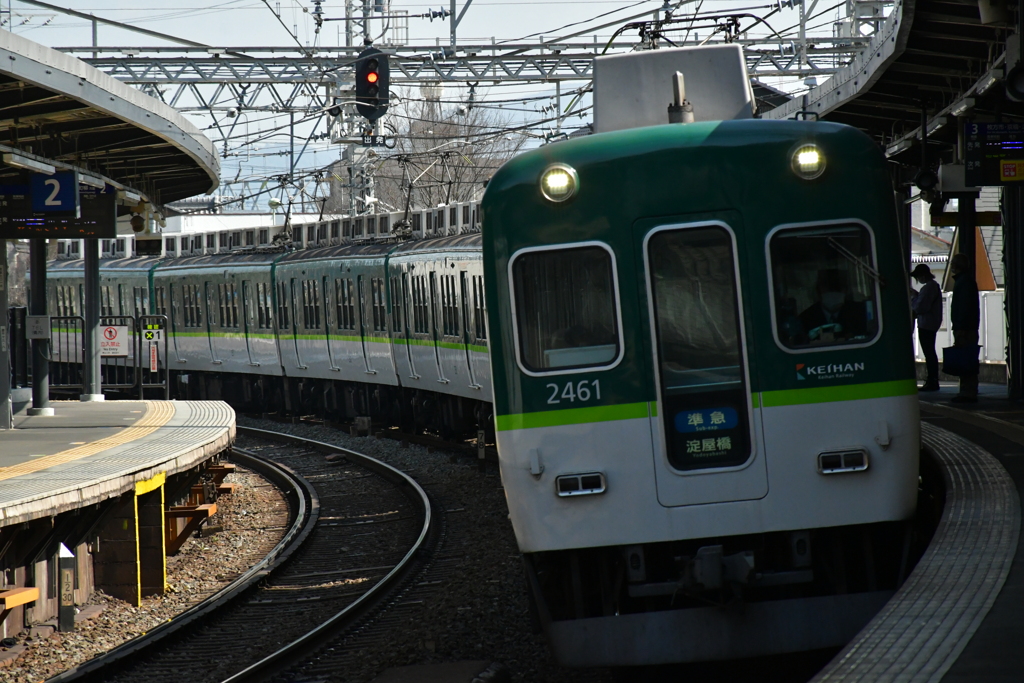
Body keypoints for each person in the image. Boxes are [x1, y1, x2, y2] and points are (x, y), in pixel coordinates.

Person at [798, 269, 868, 344]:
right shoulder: (806, 318)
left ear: (846, 290)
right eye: (827, 288)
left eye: (837, 288)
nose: (832, 292)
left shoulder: (861, 312)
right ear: (818, 291)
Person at [948, 252, 980, 403]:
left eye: (953, 263)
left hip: (965, 328)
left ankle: (968, 391)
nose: (951, 266)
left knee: (966, 358)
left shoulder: (963, 283)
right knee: (967, 358)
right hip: (967, 327)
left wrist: (961, 328)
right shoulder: (966, 281)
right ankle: (967, 390)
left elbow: (964, 308)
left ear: (957, 266)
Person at [911, 264, 942, 391]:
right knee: (930, 353)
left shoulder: (929, 287)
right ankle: (932, 379)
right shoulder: (932, 286)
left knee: (929, 353)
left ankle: (932, 380)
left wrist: (913, 297)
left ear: (922, 275)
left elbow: (920, 307)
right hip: (931, 323)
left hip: (926, 324)